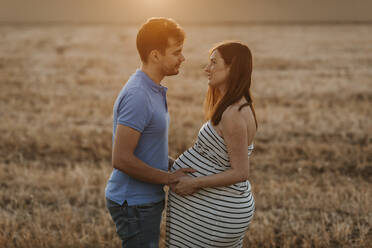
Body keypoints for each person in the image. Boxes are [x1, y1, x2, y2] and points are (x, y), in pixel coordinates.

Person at [105, 17, 195, 248]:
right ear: (155, 55)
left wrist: (176, 167)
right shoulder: (138, 95)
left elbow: (145, 150)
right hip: (134, 202)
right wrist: (169, 178)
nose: (182, 58)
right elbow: (122, 159)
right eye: (177, 52)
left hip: (144, 200)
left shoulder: (152, 89)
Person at [166, 41, 258, 247]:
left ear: (232, 67)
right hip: (217, 208)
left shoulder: (233, 113)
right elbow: (218, 159)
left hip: (218, 212)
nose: (207, 69)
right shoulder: (237, 106)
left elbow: (240, 172)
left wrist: (193, 183)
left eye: (214, 62)